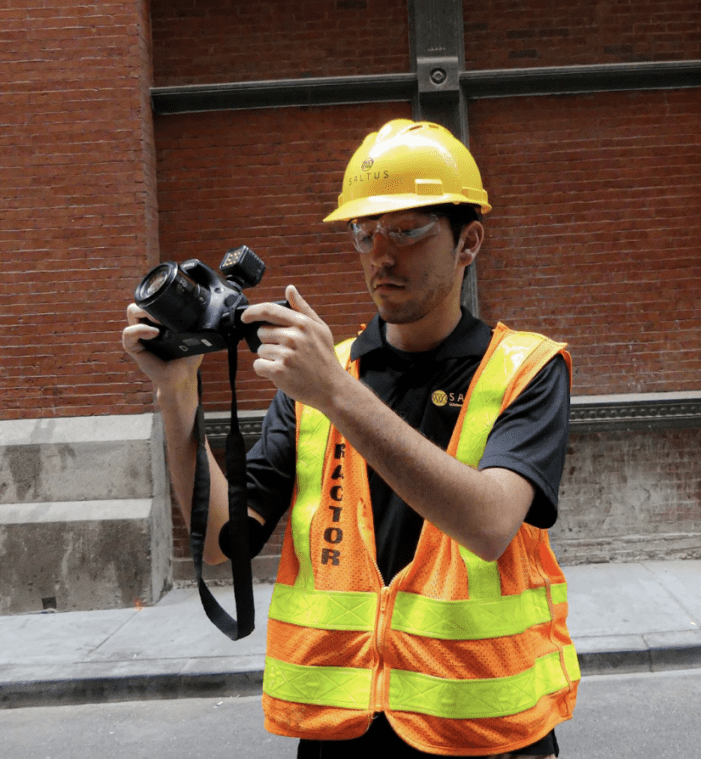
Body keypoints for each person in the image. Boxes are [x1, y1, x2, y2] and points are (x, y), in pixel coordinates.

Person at [122, 119, 579, 758]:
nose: (381, 255)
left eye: (407, 230)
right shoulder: (321, 383)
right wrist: (176, 394)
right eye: (364, 234)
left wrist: (335, 391)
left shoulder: (525, 369)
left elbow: (488, 523)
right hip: (344, 735)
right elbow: (225, 542)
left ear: (468, 242)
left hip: (483, 732)